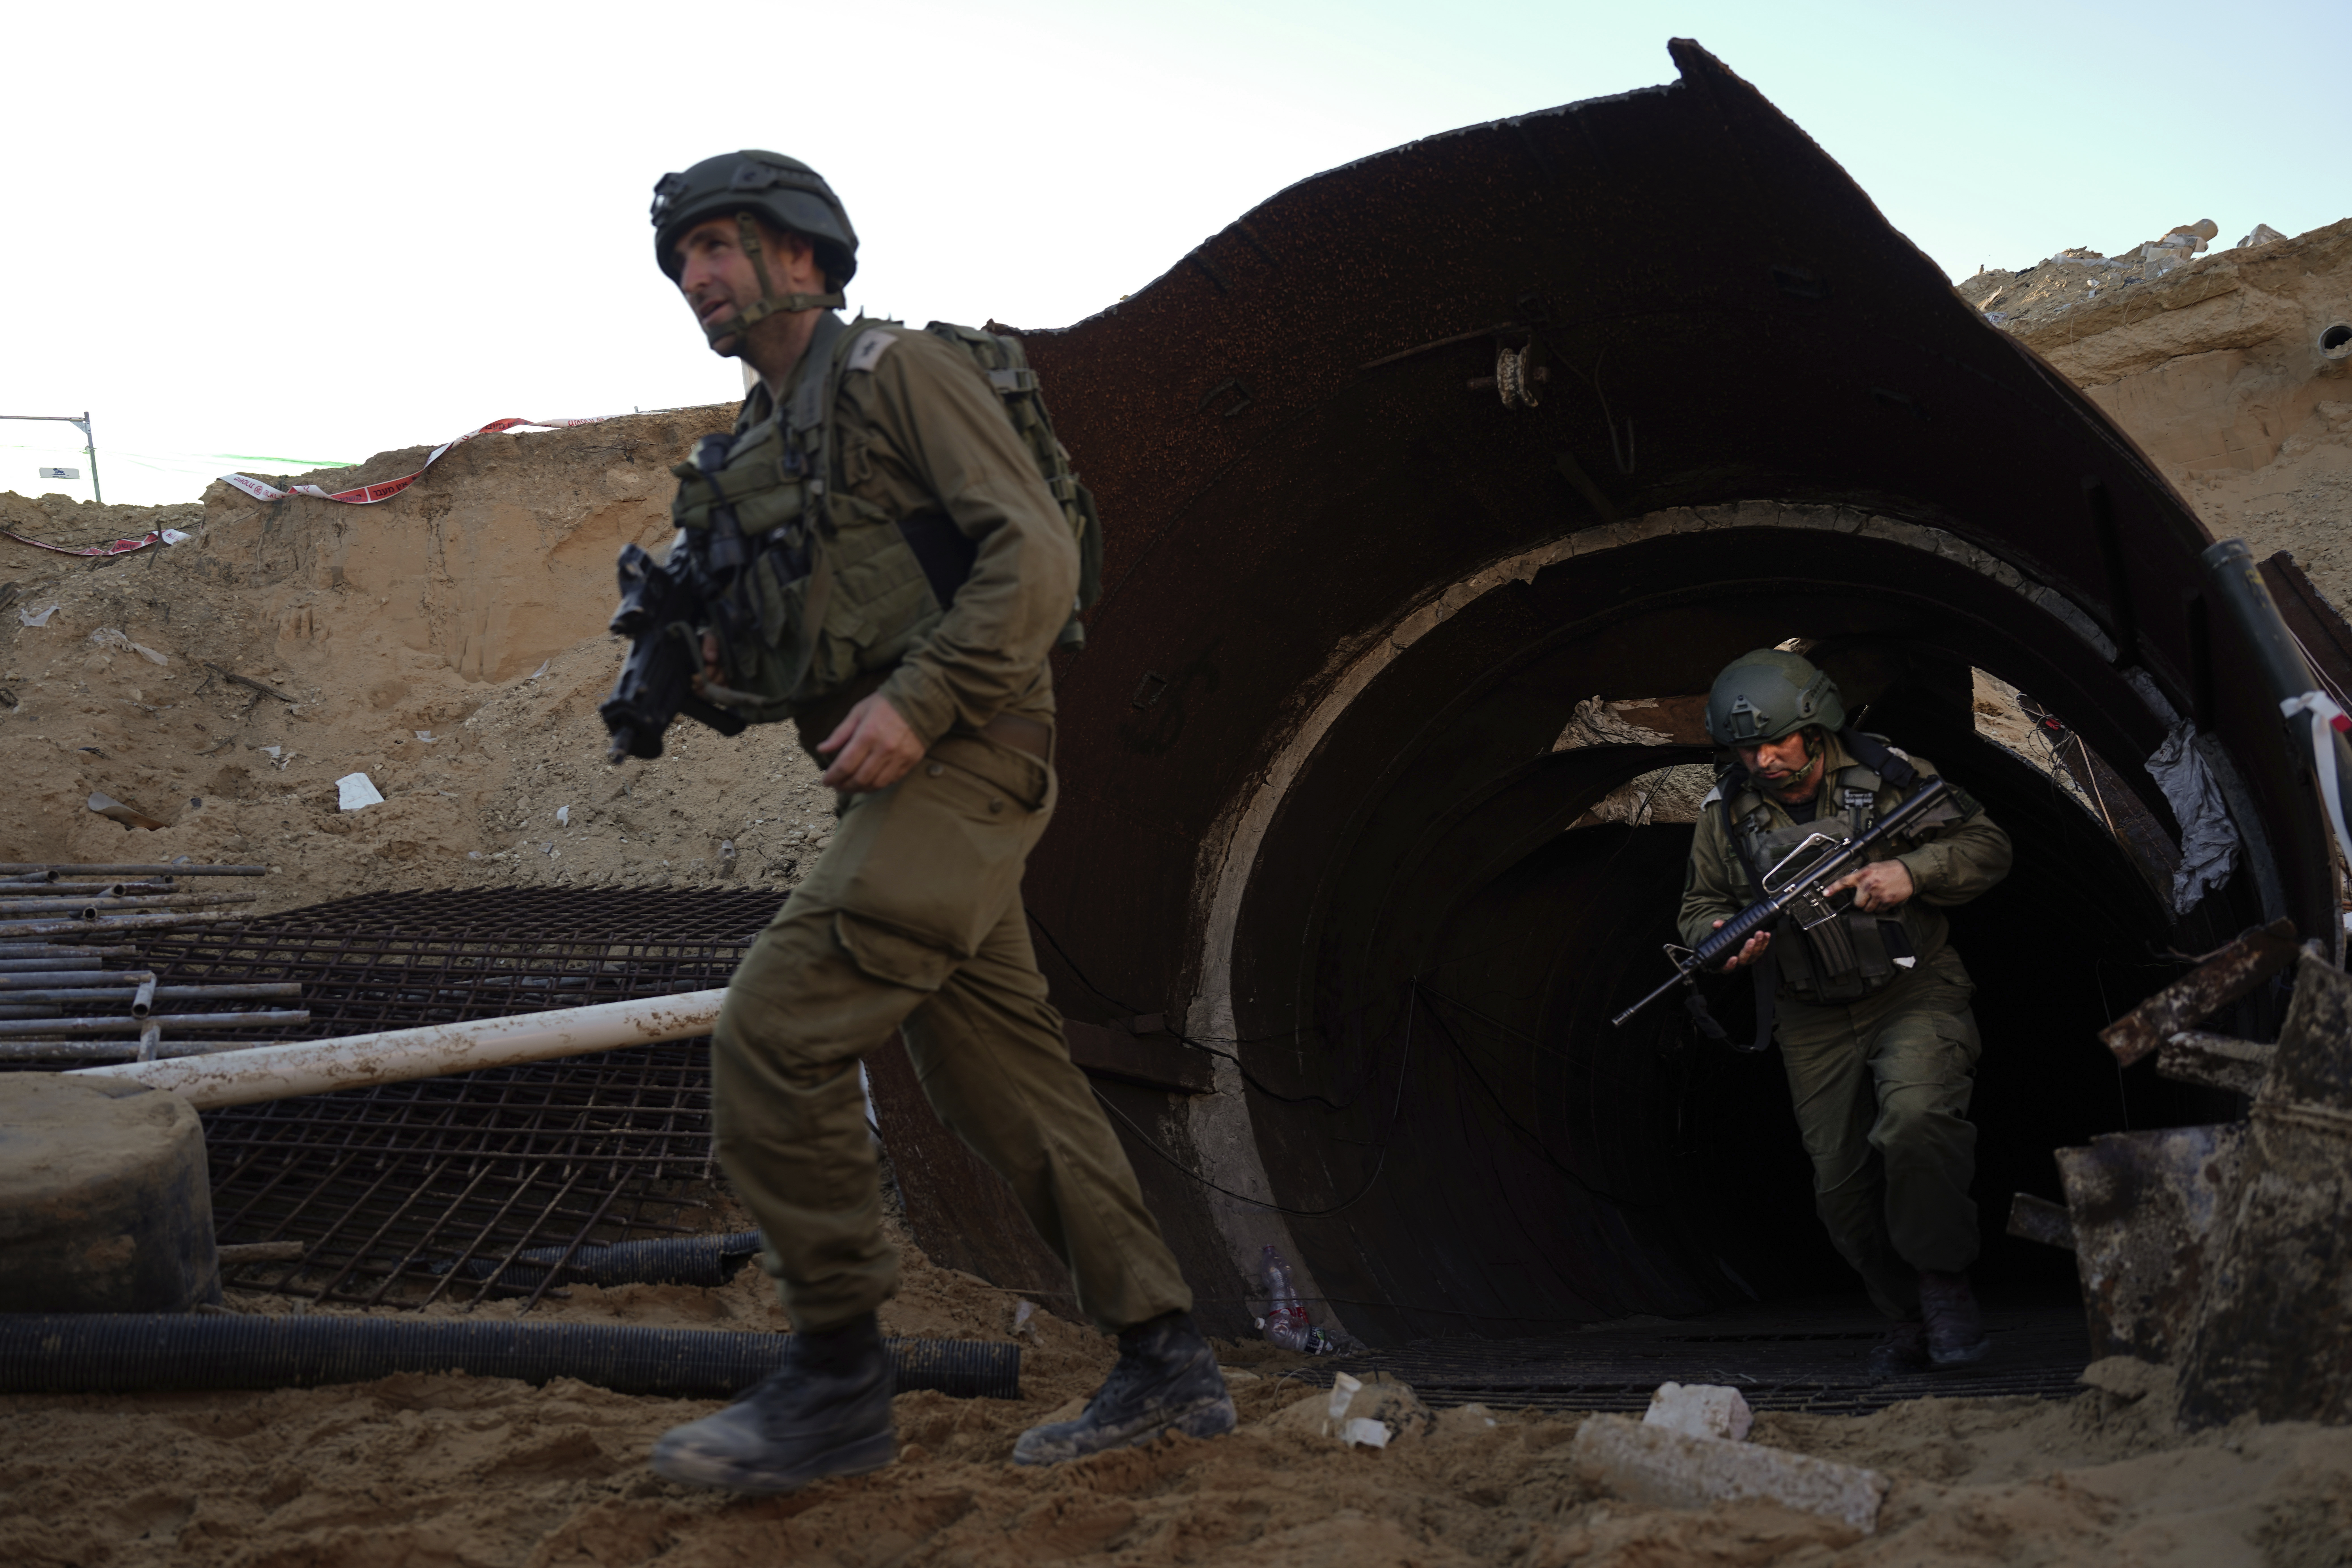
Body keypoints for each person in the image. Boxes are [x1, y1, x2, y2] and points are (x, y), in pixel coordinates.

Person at [638, 150, 1232, 1494]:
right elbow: (814, 651)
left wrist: (919, 700)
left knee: (772, 1033)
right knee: (999, 1084)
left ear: (802, 251)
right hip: (900, 782)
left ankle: (838, 1379)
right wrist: (713, 680)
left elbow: (1032, 551)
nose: (697, 278)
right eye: (681, 261)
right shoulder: (750, 446)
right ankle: (1165, 1358)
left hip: (967, 757)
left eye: (719, 246)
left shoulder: (894, 373)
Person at [1677, 648, 2014, 1377]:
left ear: (1815, 726)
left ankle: (1942, 1283)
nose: (1762, 759)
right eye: (1746, 747)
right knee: (1840, 1189)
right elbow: (1700, 904)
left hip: (1912, 989)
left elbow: (1987, 844)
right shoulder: (1726, 814)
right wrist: (1716, 939)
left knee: (1918, 1121)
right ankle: (1904, 1315)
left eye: (1776, 742)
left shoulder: (1890, 776)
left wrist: (1910, 872)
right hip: (1810, 1015)